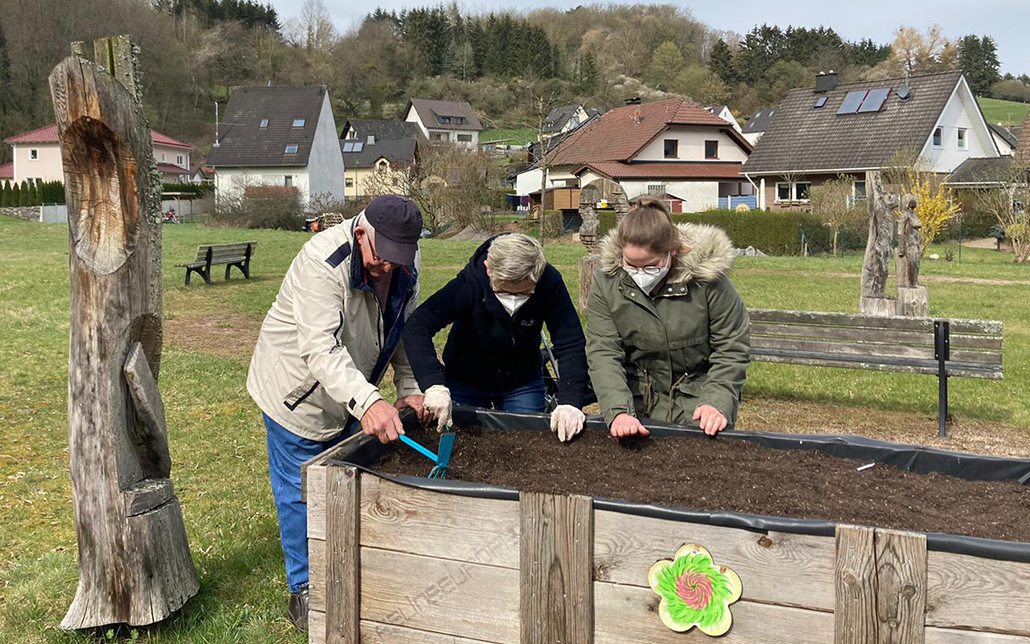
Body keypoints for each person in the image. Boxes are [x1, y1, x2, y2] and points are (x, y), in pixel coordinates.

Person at [246, 195, 430, 632]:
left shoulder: (402, 256)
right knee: (301, 490)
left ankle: (346, 566)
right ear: (362, 234)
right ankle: (305, 592)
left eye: (398, 260)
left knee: (343, 479)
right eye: (381, 259)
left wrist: (410, 389)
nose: (389, 268)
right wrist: (368, 401)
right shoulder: (320, 261)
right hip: (297, 391)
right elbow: (321, 350)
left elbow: (406, 327)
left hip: (348, 387)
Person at [586, 199, 750, 438]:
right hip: (637, 402)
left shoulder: (708, 283)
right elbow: (603, 351)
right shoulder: (606, 283)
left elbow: (732, 348)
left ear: (672, 251)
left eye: (651, 266)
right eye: (631, 265)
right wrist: (619, 411)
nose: (640, 275)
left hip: (699, 402)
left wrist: (717, 402)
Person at [403, 233, 589, 441]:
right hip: (466, 378)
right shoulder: (471, 282)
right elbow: (418, 325)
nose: (513, 301)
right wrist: (433, 383)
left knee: (528, 443)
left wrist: (570, 401)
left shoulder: (548, 282)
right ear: (488, 269)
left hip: (521, 381)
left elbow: (570, 341)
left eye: (523, 294)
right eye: (504, 291)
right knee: (462, 443)